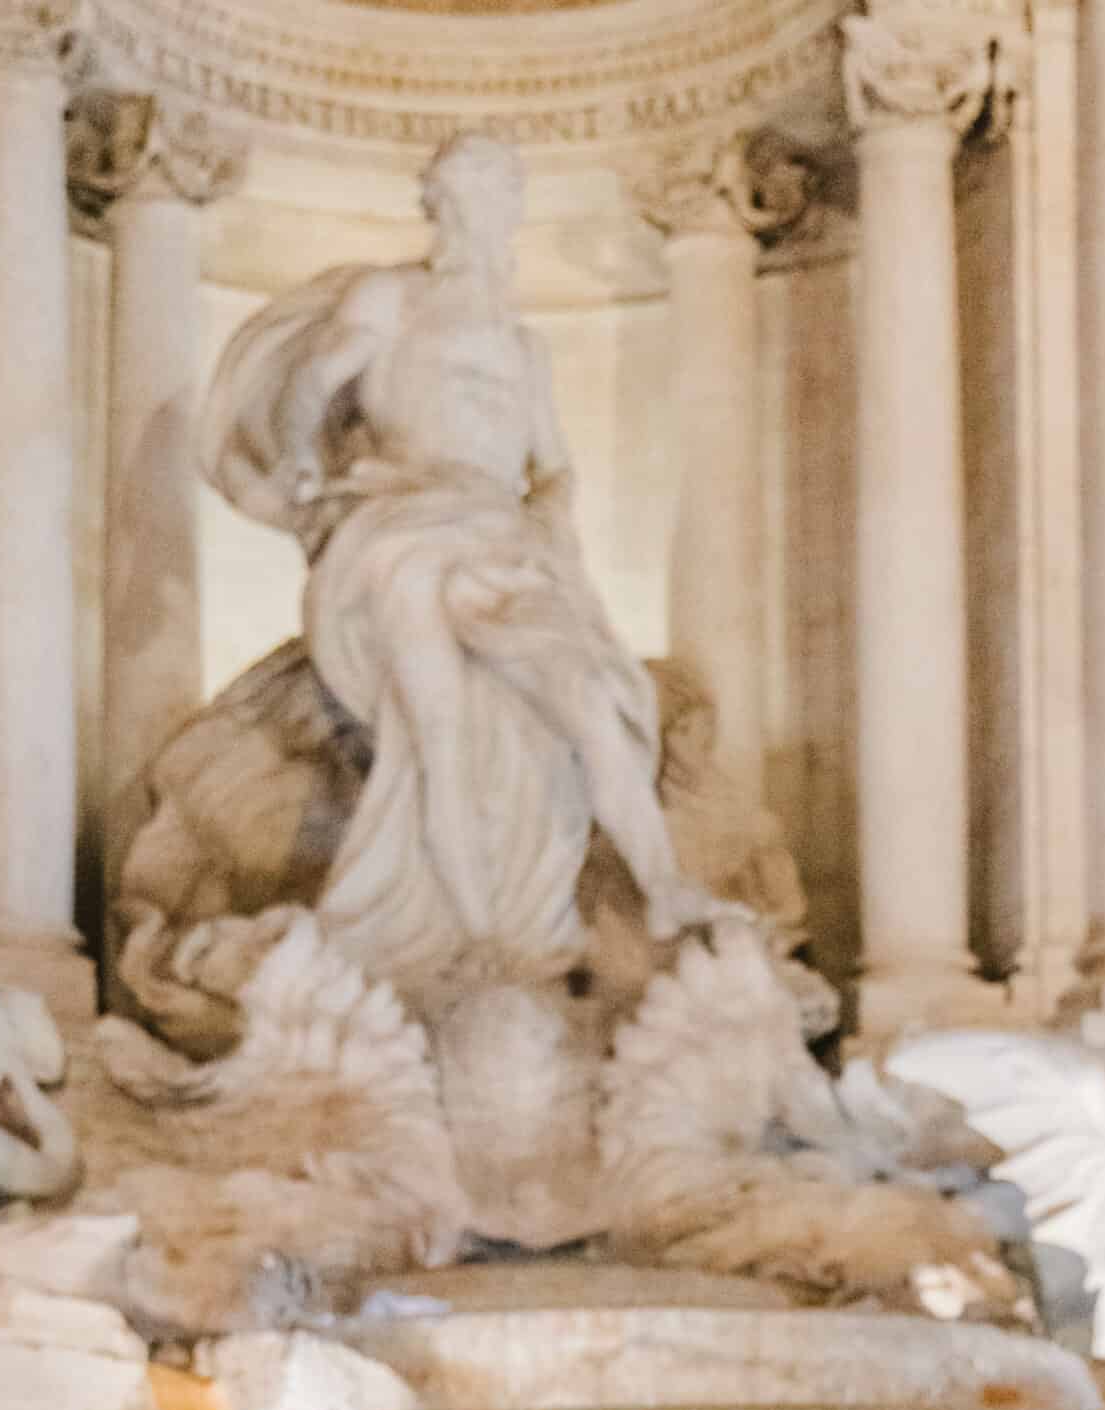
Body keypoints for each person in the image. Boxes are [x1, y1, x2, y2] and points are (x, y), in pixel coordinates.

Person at [200, 132, 728, 995]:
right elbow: (316, 379)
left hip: (502, 540)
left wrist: (554, 510)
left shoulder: (524, 344)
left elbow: (551, 462)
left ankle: (664, 887)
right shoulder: (393, 299)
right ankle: (479, 941)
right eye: (475, 196)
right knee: (434, 736)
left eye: (502, 196)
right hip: (403, 530)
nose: (492, 215)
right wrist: (302, 462)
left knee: (591, 701)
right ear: (441, 206)